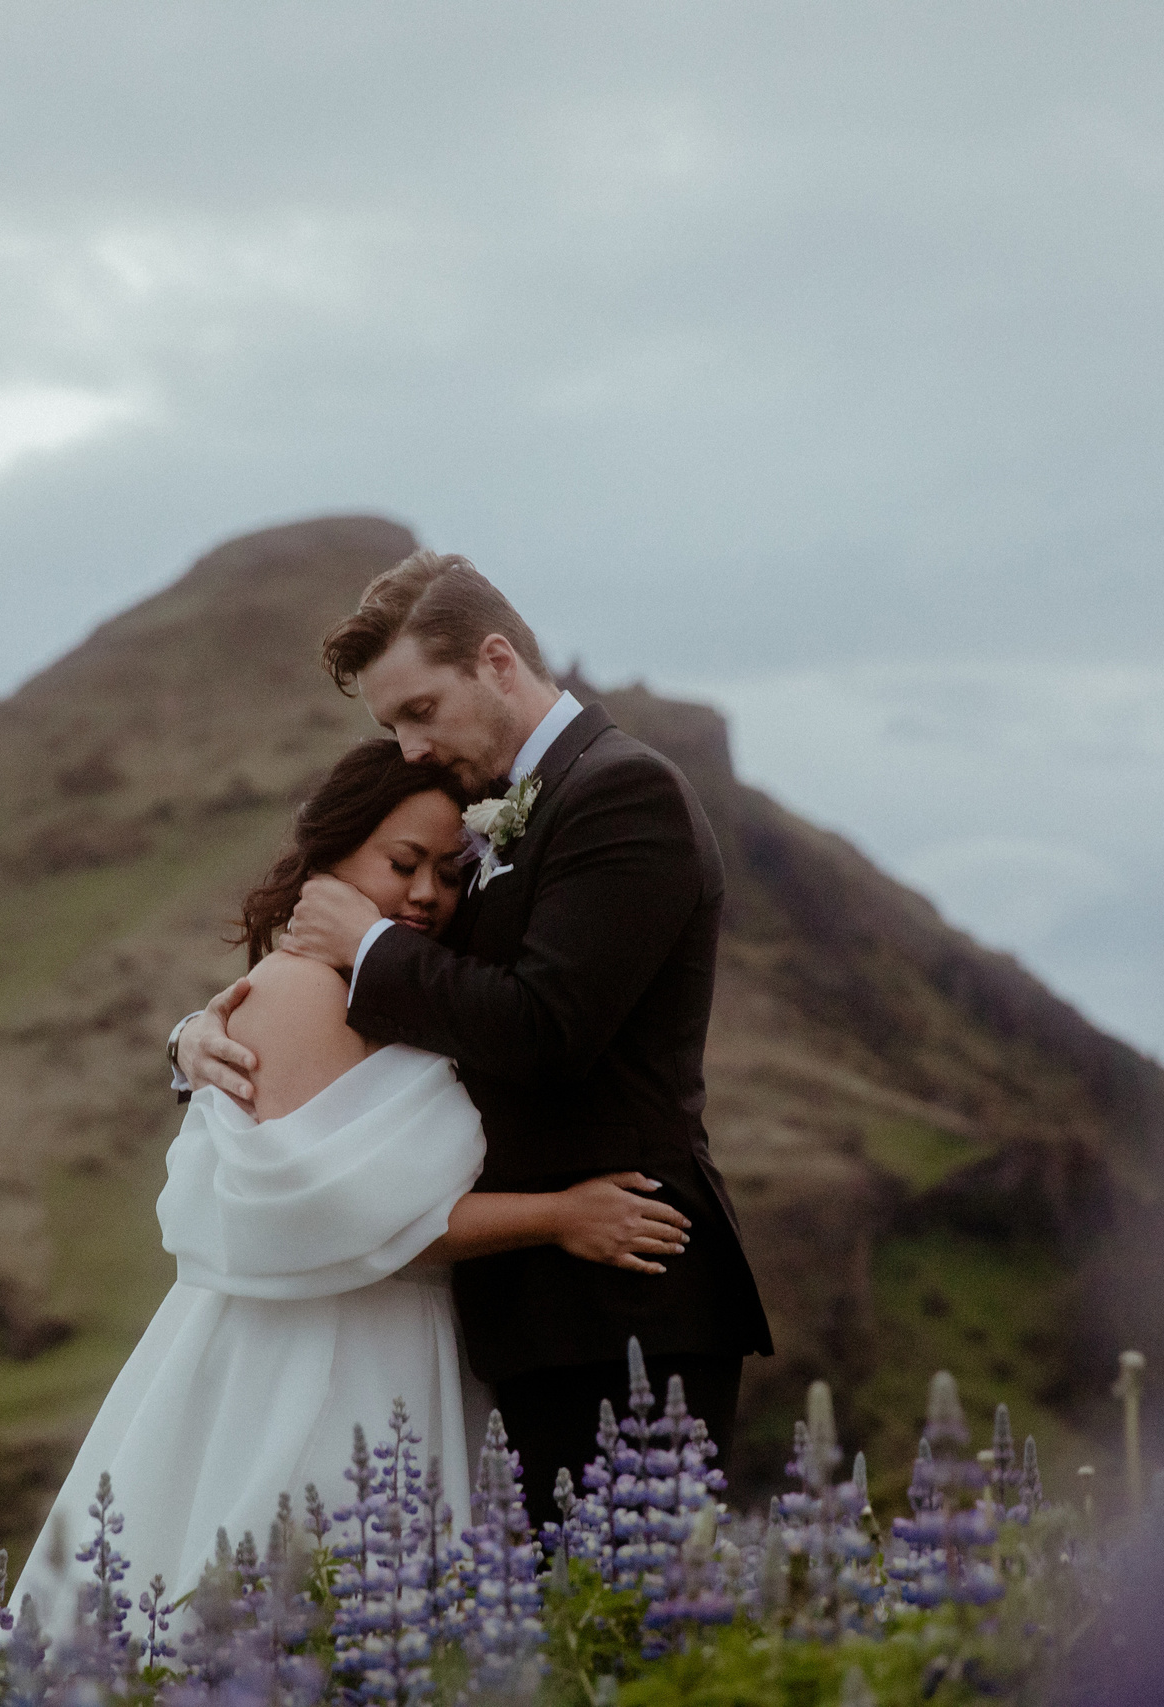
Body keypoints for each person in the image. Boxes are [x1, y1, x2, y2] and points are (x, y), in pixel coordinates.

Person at [17, 740, 690, 1616]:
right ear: (329, 857)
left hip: (410, 1340)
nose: (425, 895)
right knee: (295, 1593)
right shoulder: (300, 991)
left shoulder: (408, 992)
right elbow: (345, 1214)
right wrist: (560, 1215)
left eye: (451, 875)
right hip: (311, 1355)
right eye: (401, 863)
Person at [174, 552, 775, 1526]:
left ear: (496, 661)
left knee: (631, 1642)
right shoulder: (496, 814)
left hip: (620, 1295)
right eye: (390, 727)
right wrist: (199, 1034)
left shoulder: (623, 793)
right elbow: (390, 1033)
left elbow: (544, 1029)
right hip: (515, 1313)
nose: (410, 748)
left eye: (420, 711)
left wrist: (365, 945)